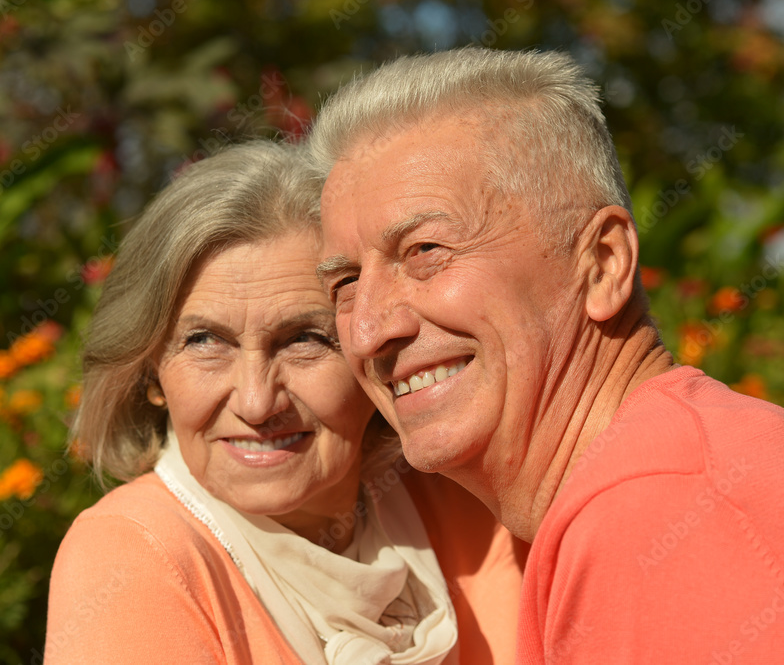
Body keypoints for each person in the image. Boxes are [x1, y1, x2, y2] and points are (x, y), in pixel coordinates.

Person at [309, 46, 784, 663]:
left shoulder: (657, 512)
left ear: (604, 265)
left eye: (425, 249)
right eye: (343, 283)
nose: (369, 329)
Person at [45, 140, 524, 665]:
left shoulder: (469, 495)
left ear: (372, 351)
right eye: (205, 342)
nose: (256, 402)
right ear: (150, 372)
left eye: (304, 340)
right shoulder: (133, 554)